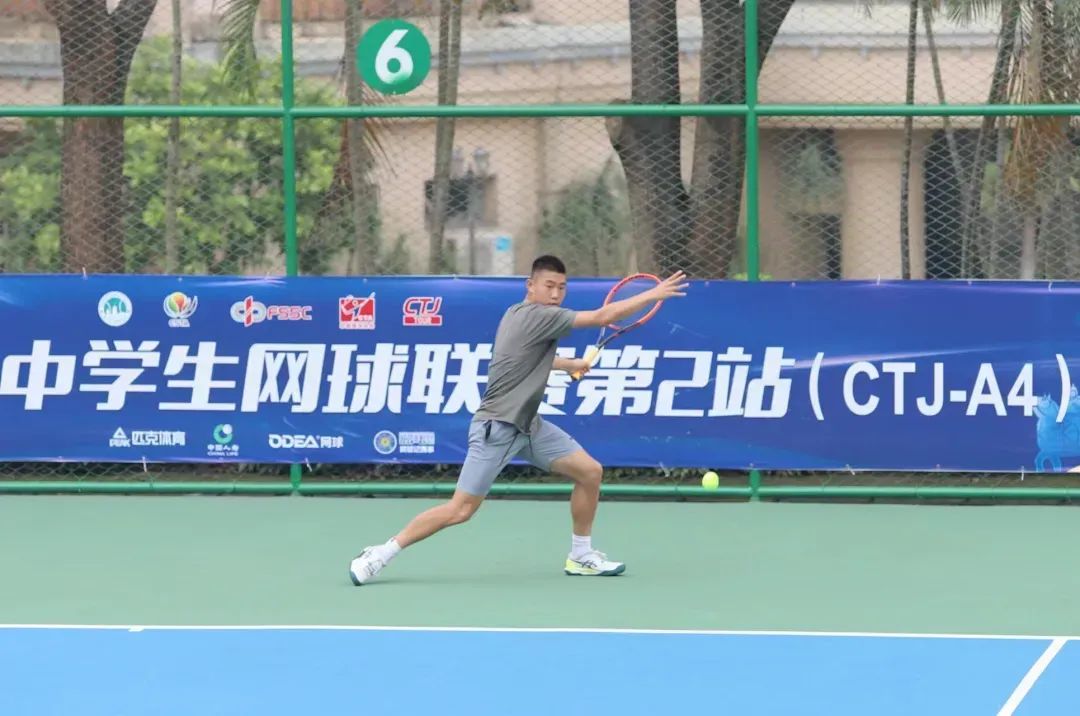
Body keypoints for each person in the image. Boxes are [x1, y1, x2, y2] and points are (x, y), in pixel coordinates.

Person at [349, 256, 689, 585]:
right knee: (460, 510)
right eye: (549, 286)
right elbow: (603, 316)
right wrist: (653, 294)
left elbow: (529, 357)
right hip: (497, 428)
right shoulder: (540, 315)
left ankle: (581, 555)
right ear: (531, 286)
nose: (555, 294)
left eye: (561, 288)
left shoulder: (515, 314)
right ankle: (381, 553)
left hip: (529, 426)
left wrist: (569, 364)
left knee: (590, 472)